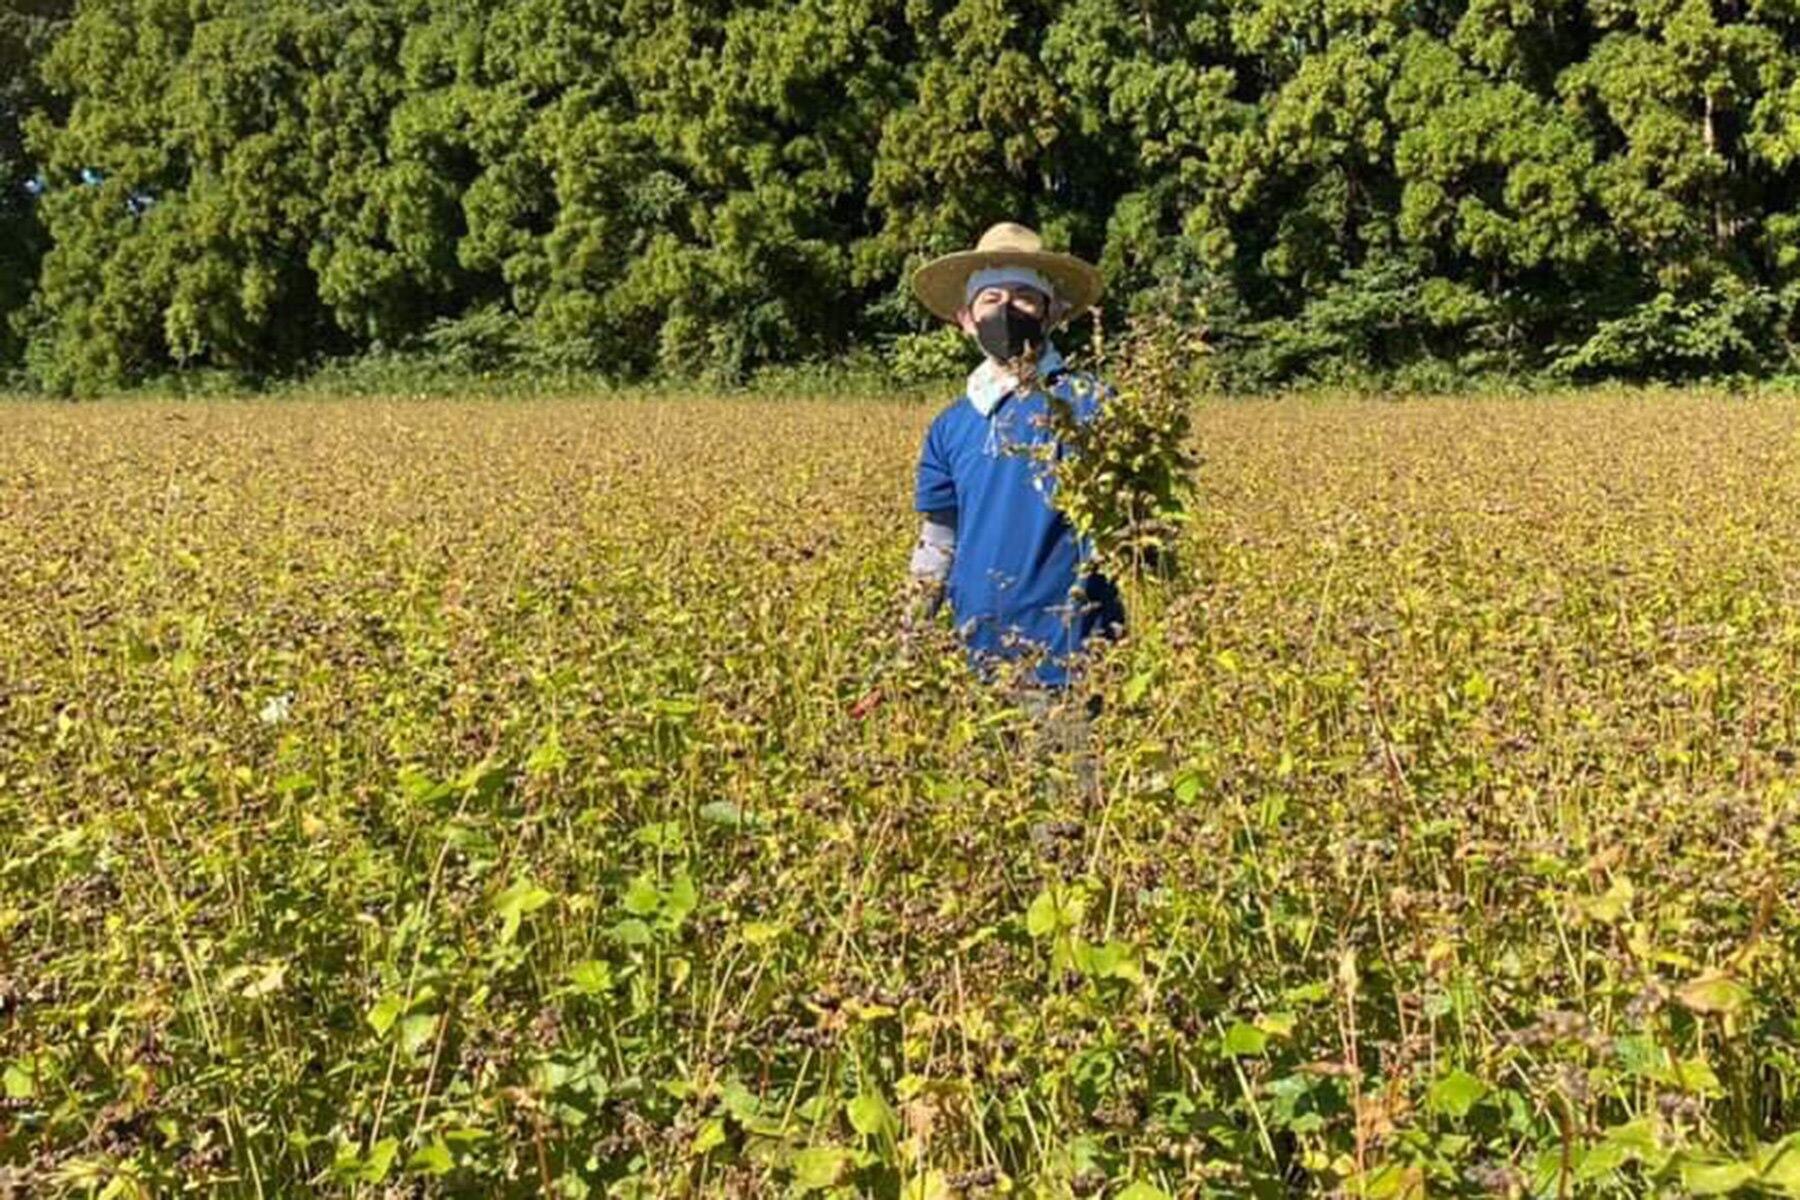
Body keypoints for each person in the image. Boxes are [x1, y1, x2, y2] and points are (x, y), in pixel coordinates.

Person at [902, 222, 1124, 794]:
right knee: (994, 819)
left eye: (1024, 297)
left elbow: (1138, 529)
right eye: (992, 299)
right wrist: (909, 634)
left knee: (1069, 823)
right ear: (966, 319)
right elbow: (938, 539)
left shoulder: (1092, 405)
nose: (1009, 311)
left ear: (1050, 313)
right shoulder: (952, 426)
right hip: (977, 656)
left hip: (1072, 657)